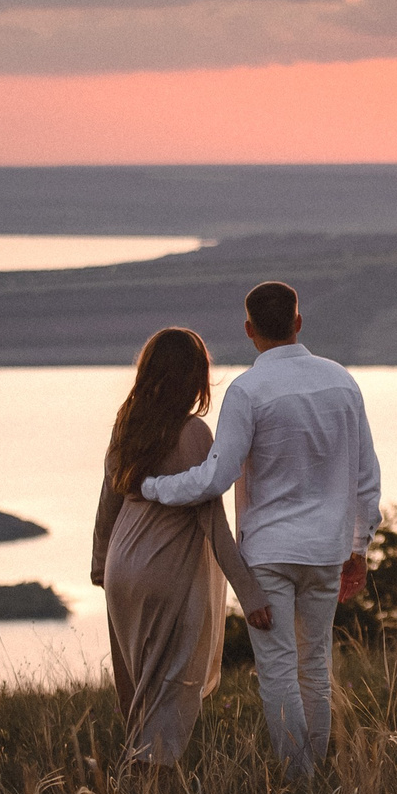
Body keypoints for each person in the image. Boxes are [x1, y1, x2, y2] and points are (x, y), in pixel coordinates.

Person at [140, 281, 380, 776]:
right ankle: (314, 774)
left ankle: (300, 780)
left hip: (269, 553)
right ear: (297, 321)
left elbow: (214, 477)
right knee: (315, 669)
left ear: (249, 330)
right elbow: (366, 476)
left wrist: (152, 488)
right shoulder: (342, 383)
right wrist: (358, 546)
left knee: (278, 673)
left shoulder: (248, 391)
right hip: (327, 551)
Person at [90, 326, 268, 766]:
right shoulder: (192, 433)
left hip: (122, 568)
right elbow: (213, 520)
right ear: (194, 378)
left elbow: (108, 499)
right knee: (170, 697)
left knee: (141, 696)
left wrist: (99, 563)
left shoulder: (127, 422)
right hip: (166, 569)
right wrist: (250, 595)